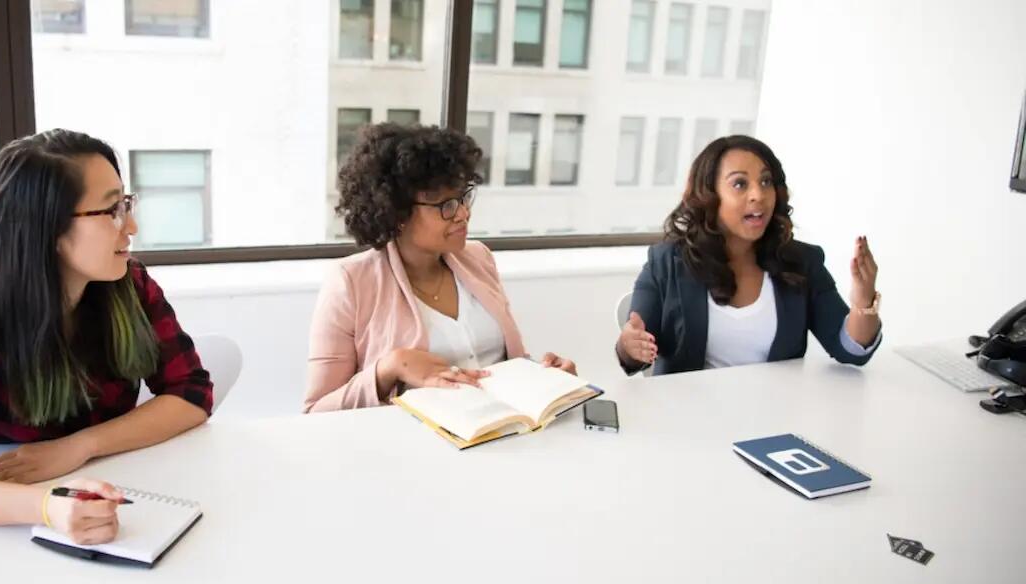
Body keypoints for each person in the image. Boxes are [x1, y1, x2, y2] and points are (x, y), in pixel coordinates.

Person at [0, 129, 214, 545]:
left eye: (125, 204)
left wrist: (79, 446)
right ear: (47, 227)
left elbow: (191, 393)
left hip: (119, 493)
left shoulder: (130, 284)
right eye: (111, 210)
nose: (131, 226)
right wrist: (46, 507)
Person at [304, 123, 576, 412]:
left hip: (504, 428)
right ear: (398, 213)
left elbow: (501, 366)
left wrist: (546, 376)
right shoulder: (351, 282)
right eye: (445, 205)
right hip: (415, 437)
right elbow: (316, 409)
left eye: (463, 197)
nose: (463, 214)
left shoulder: (479, 258)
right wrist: (390, 368)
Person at [615, 135, 882, 376]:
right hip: (689, 410)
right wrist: (629, 345)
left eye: (766, 182)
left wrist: (863, 300)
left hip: (774, 409)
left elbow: (850, 351)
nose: (758, 195)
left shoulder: (801, 261)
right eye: (740, 184)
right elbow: (633, 353)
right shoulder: (666, 262)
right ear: (710, 196)